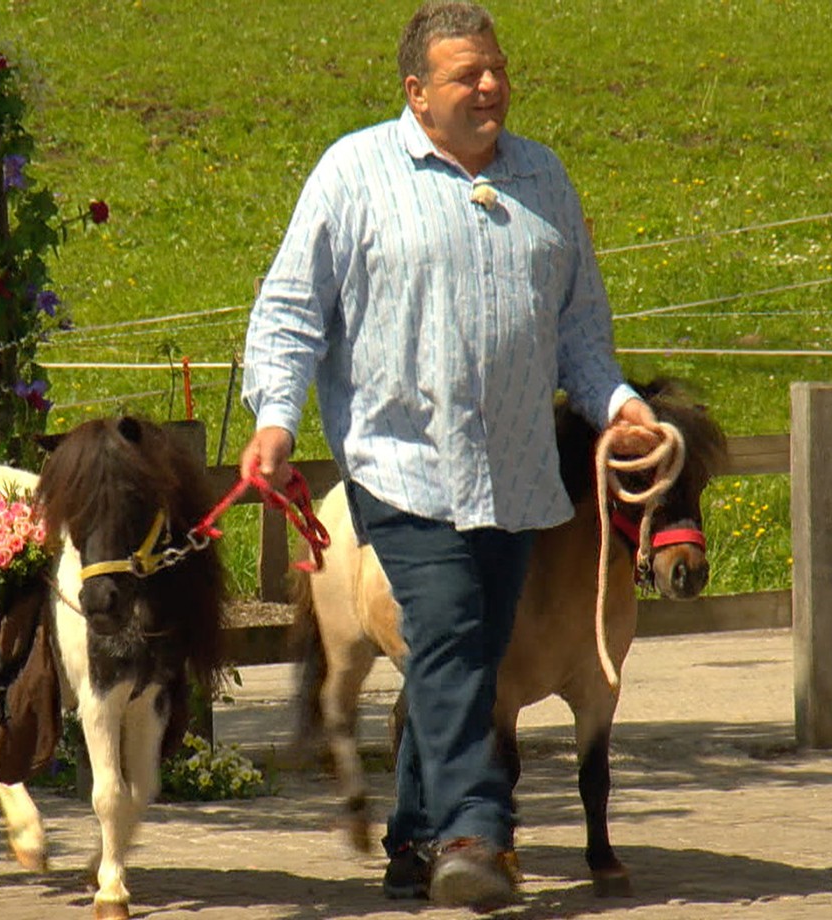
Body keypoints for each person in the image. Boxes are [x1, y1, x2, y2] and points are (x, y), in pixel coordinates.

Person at [238, 0, 659, 910]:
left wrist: (619, 406)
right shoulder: (355, 173)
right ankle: (476, 831)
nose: (492, 85)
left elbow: (580, 332)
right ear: (417, 92)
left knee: (465, 653)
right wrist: (276, 416)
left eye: (497, 67)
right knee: (452, 640)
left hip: (515, 478)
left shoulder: (544, 180)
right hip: (401, 466)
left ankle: (408, 842)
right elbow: (289, 312)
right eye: (469, 73)